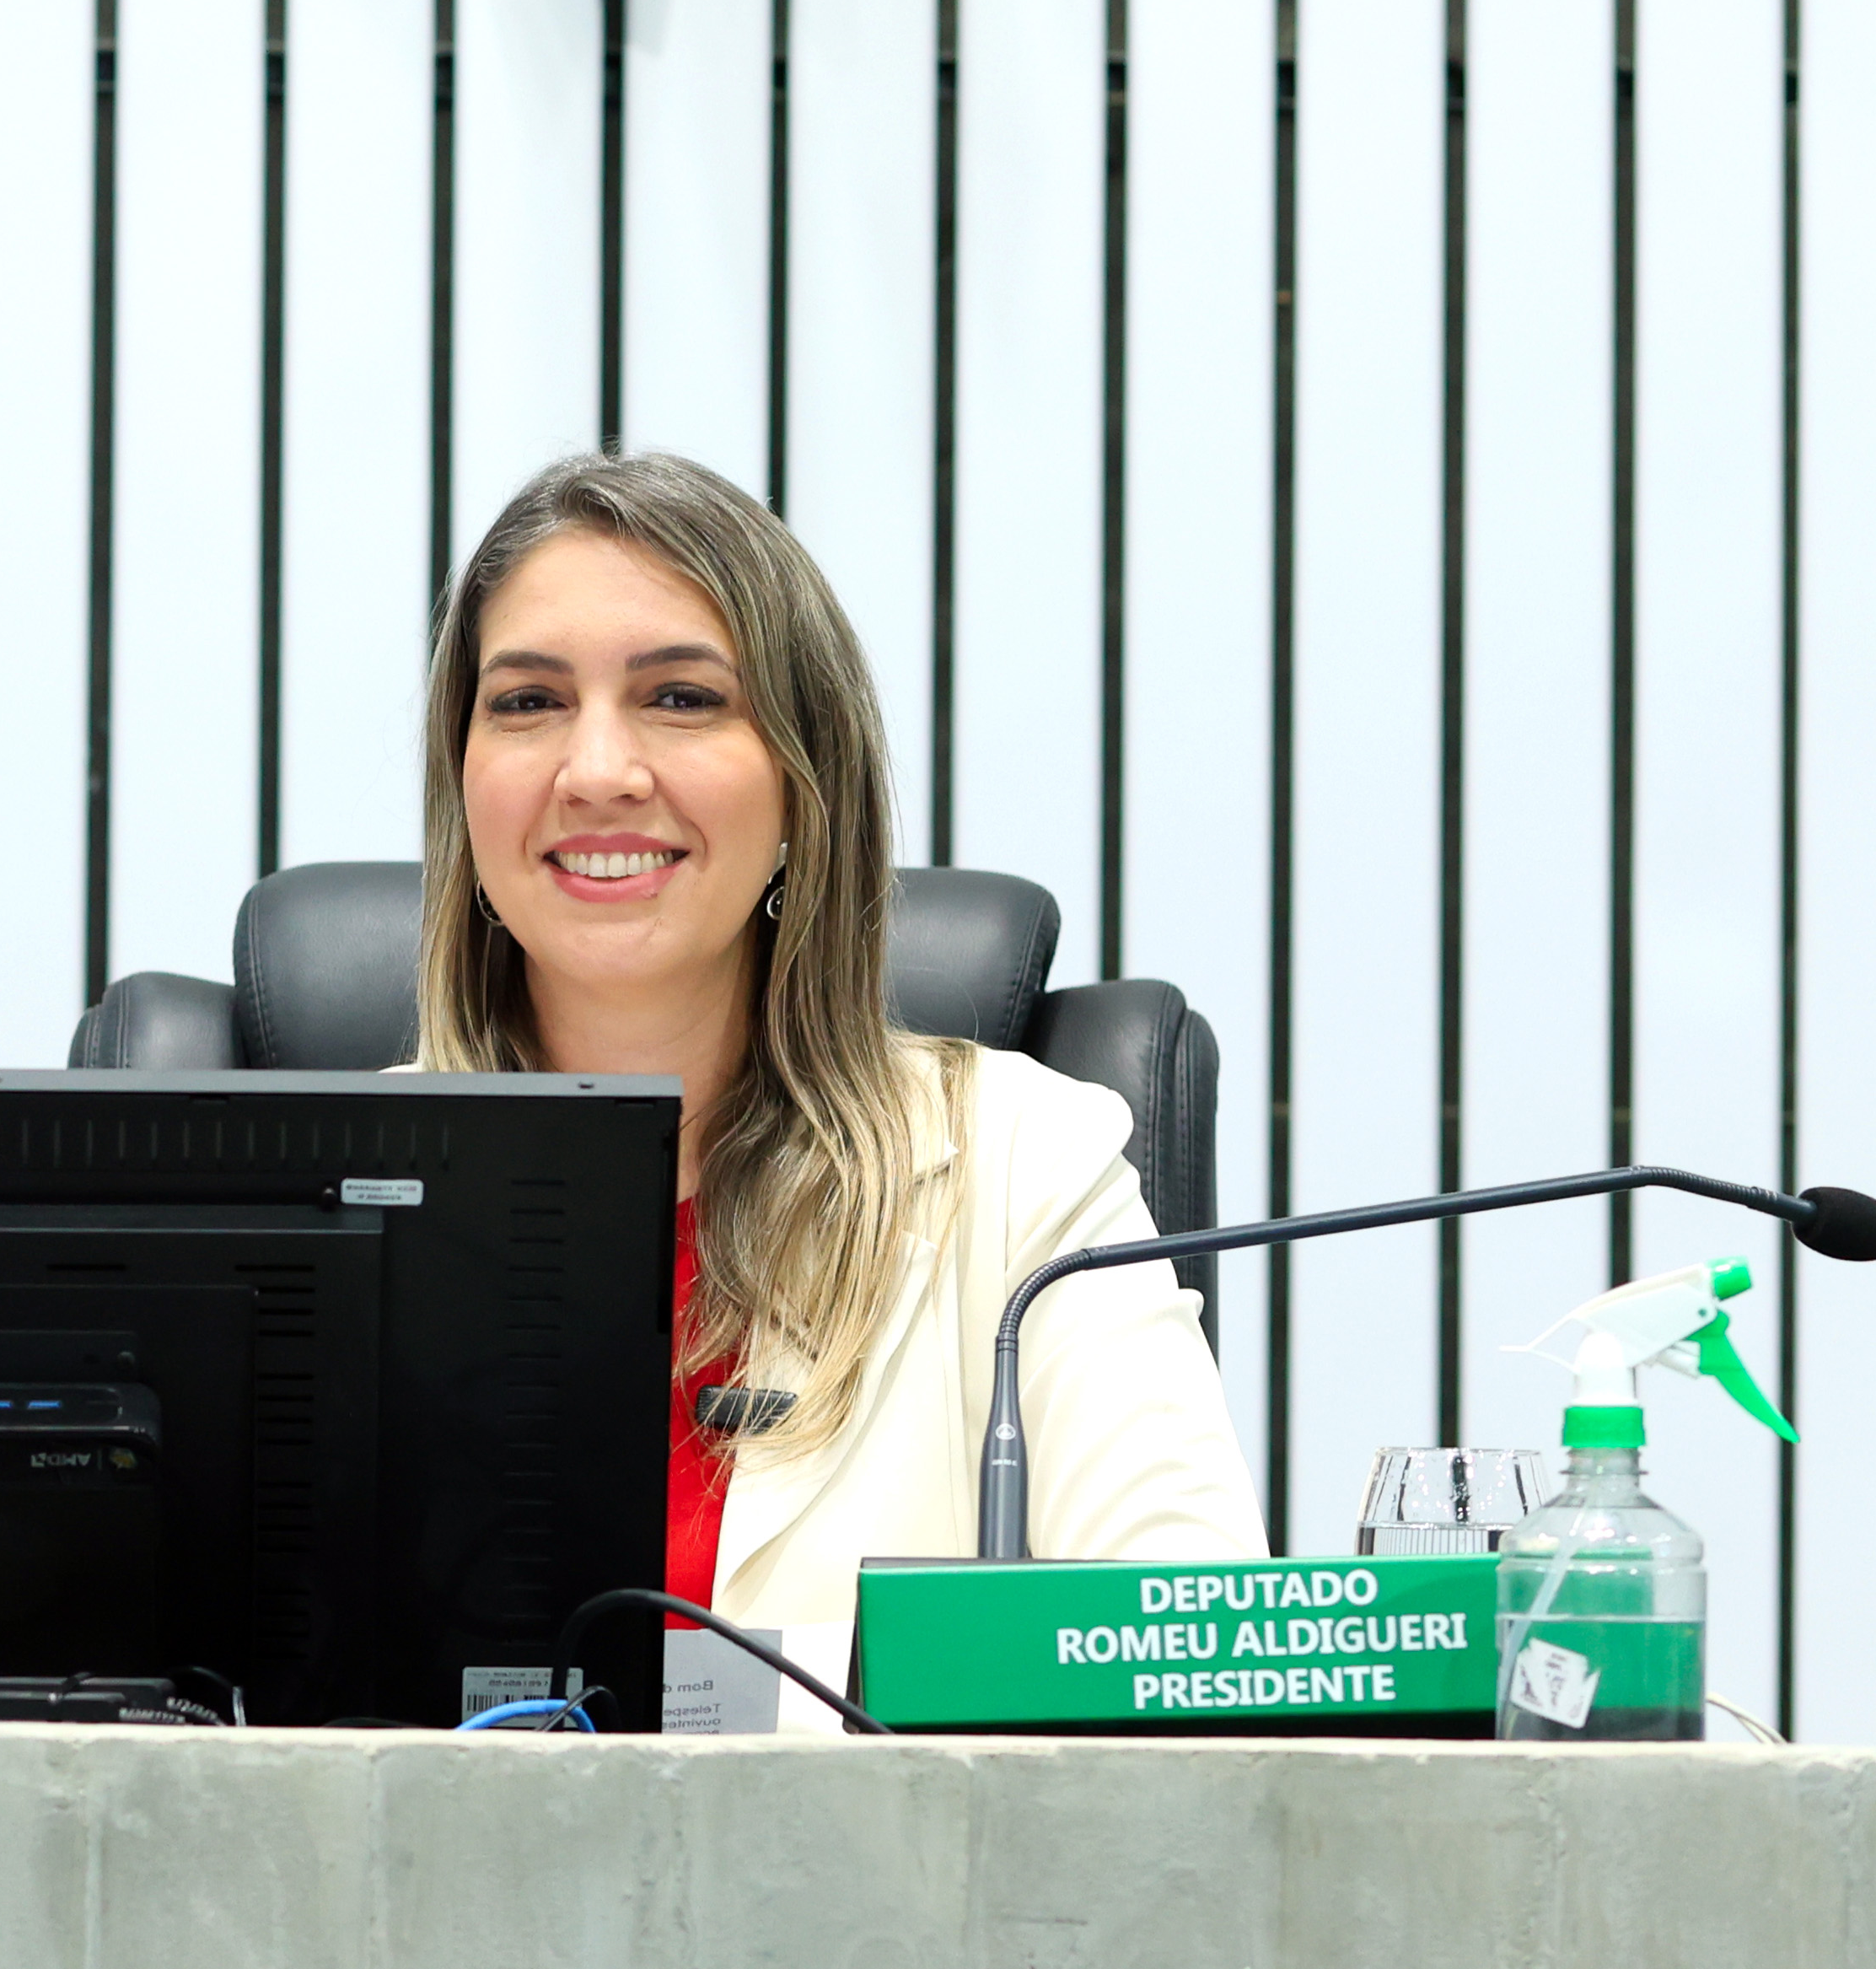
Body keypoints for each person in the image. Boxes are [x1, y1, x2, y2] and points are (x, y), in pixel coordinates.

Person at [412, 451, 1257, 1715]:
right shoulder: (321, 1188)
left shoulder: (1026, 1167)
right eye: (527, 703)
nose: (595, 770)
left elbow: (1185, 1661)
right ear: (463, 783)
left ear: (808, 785)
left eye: (682, 699)